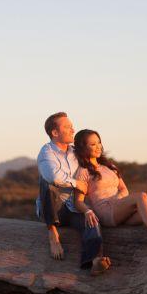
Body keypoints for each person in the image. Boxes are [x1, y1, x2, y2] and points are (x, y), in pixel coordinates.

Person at [73, 129, 147, 245]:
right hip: (106, 211)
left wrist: (119, 199)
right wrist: (87, 211)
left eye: (99, 142)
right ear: (83, 148)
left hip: (119, 206)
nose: (98, 146)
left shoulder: (109, 166)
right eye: (93, 144)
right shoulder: (83, 171)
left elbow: (124, 189)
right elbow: (78, 202)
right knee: (141, 196)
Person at [35, 113, 111, 275]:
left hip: (74, 206)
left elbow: (95, 161)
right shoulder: (46, 152)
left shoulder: (76, 151)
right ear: (55, 133)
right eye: (68, 127)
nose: (73, 130)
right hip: (55, 208)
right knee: (48, 183)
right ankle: (53, 234)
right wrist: (77, 183)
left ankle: (94, 261)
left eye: (72, 126)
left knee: (91, 220)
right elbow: (52, 177)